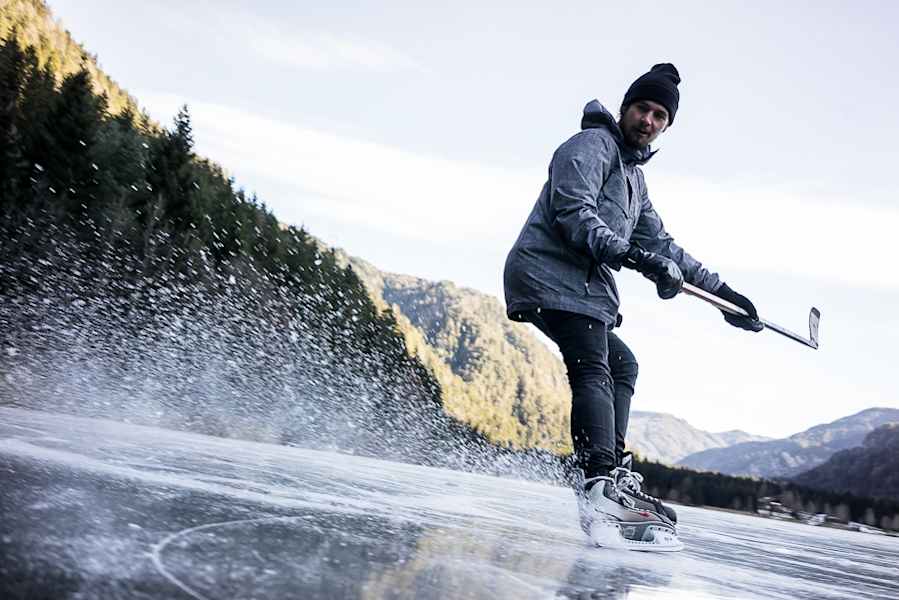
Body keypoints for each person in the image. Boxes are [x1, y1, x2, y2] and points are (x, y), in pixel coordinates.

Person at [503, 63, 762, 551]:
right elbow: (572, 215)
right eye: (643, 108)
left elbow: (662, 244)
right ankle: (598, 482)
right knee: (594, 368)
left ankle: (612, 475)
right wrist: (633, 257)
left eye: (660, 115)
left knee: (623, 364)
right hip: (546, 272)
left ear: (666, 125)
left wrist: (725, 295)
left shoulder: (634, 180)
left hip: (582, 287)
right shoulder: (589, 147)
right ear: (625, 109)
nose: (649, 120)